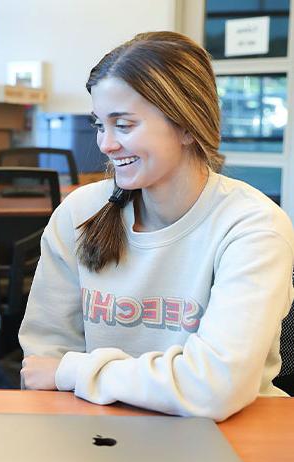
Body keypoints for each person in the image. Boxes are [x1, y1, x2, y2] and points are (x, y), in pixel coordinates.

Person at [19, 31, 294, 421]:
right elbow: (43, 360)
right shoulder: (80, 212)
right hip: (100, 428)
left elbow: (214, 389)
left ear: (186, 126)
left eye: (124, 125)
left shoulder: (253, 226)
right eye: (100, 125)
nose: (106, 145)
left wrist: (75, 372)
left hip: (231, 433)